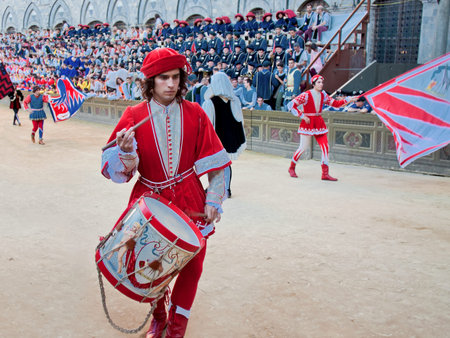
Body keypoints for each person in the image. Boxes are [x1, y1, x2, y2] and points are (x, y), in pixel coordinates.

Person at [101, 48, 231, 338]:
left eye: (175, 77)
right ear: (151, 81)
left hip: (190, 199)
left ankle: (176, 330)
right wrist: (125, 151)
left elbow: (218, 165)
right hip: (149, 199)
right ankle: (158, 318)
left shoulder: (196, 114)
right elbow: (120, 174)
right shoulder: (133, 115)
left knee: (192, 268)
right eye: (163, 78)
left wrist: (213, 199)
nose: (171, 84)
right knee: (149, 265)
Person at [288, 75, 357, 180]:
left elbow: (336, 104)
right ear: (314, 84)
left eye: (322, 82)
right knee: (303, 147)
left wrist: (348, 99)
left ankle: (325, 173)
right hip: (308, 122)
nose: (321, 84)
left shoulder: (323, 95)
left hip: (319, 122)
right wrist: (302, 116)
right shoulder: (306, 95)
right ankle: (292, 167)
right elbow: (291, 105)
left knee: (325, 147)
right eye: (319, 82)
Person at [202, 72, 246, 198]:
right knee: (225, 163)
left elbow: (208, 124)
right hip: (231, 138)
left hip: (216, 138)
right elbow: (239, 120)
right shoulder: (234, 101)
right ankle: (225, 189)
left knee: (214, 164)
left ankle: (217, 188)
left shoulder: (210, 103)